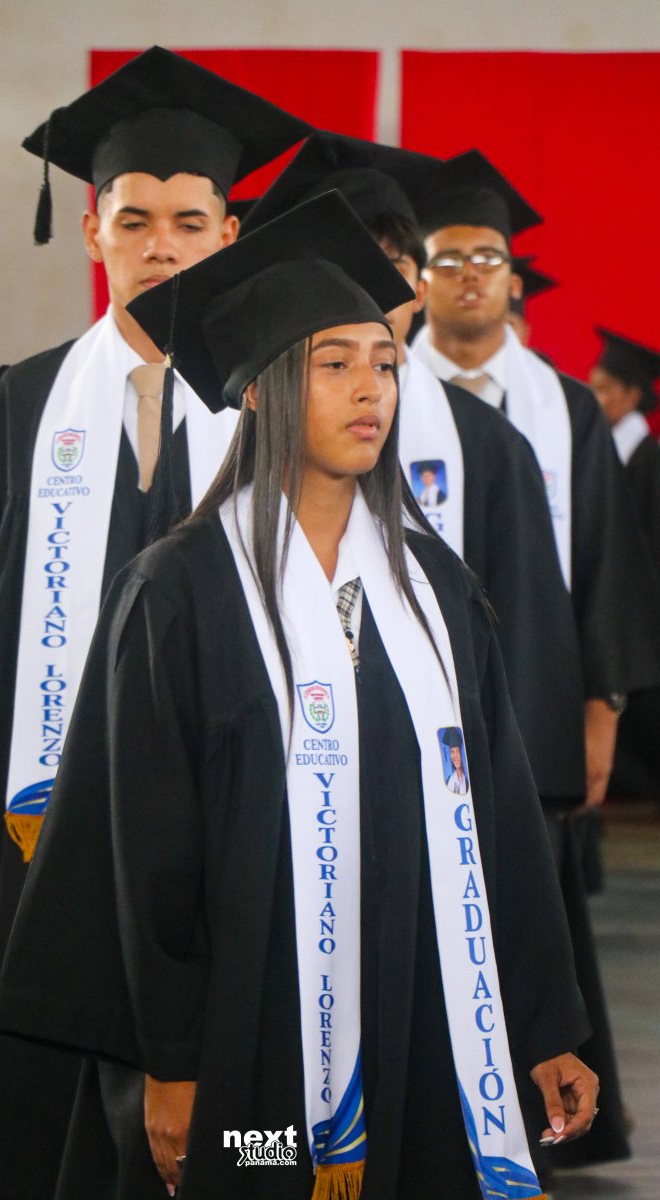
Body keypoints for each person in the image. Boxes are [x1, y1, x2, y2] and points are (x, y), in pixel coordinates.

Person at [0, 191, 597, 1200]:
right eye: (334, 364)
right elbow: (143, 850)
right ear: (265, 387)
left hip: (419, 1016)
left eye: (385, 365)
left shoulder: (433, 591)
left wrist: (543, 1025)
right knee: (258, 1169)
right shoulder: (177, 594)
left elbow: (496, 817)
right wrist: (170, 1062)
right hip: (244, 1046)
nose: (370, 390)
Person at [0, 47, 311, 1200]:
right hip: (36, 832)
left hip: (229, 829)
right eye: (133, 220)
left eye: (187, 221)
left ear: (229, 235)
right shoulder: (26, 401)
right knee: (39, 1104)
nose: (159, 245)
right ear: (90, 231)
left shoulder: (278, 408)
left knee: (232, 1117)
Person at [411, 149, 660, 1167]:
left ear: (513, 278)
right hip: (417, 697)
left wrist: (601, 710)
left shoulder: (562, 406)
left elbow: (605, 566)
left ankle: (538, 1129)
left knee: (531, 911)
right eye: (447, 258)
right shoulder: (381, 390)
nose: (469, 275)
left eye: (488, 258)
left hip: (536, 700)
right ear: (418, 275)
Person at [241, 132, 587, 810]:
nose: (365, 288)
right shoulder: (236, 429)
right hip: (274, 767)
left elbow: (523, 636)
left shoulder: (489, 444)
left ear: (419, 289)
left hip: (438, 782)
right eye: (341, 263)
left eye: (388, 265)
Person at [590, 328, 660, 800]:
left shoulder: (648, 461)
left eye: (603, 389)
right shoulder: (609, 452)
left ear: (632, 396)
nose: (593, 398)